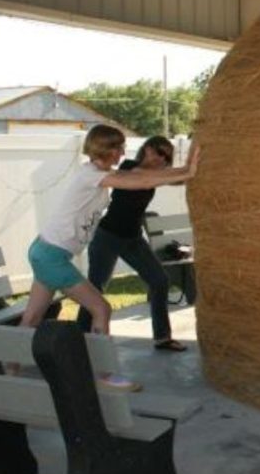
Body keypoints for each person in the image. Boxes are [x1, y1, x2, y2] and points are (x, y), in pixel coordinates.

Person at [19, 125, 199, 389]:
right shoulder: (91, 175)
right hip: (52, 256)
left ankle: (9, 365)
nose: (123, 153)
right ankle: (102, 375)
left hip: (45, 250)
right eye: (118, 148)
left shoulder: (99, 173)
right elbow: (139, 180)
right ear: (106, 149)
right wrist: (188, 171)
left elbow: (150, 176)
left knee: (32, 319)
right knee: (101, 308)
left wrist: (187, 172)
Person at [77, 136, 190, 351]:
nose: (161, 158)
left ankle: (162, 338)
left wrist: (193, 169)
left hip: (133, 239)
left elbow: (174, 179)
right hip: (107, 237)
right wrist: (179, 172)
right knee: (95, 290)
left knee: (159, 281)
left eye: (166, 156)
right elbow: (149, 177)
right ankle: (79, 338)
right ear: (146, 149)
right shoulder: (129, 167)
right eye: (158, 151)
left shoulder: (156, 176)